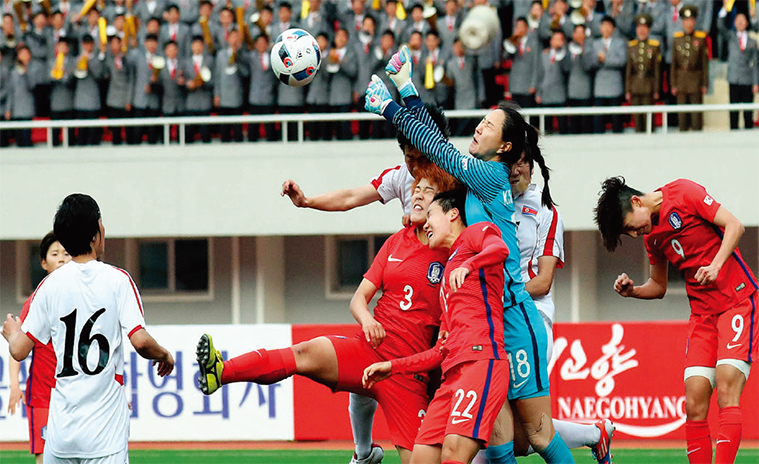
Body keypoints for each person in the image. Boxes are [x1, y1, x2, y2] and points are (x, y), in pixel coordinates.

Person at [365, 45, 575, 464]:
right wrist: (407, 89)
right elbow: (437, 144)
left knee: (536, 435)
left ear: (504, 147)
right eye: (482, 120)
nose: (479, 128)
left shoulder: (489, 173)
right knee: (498, 444)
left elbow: (438, 149)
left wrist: (389, 105)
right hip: (488, 324)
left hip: (514, 317)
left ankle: (592, 438)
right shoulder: (478, 173)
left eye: (489, 126)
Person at [198, 167, 458, 464]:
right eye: (417, 188)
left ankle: (364, 456)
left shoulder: (455, 252)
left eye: (428, 191)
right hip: (367, 350)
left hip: (407, 373)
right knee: (304, 352)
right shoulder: (398, 240)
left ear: (448, 208)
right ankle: (221, 371)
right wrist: (368, 319)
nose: (418, 195)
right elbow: (359, 299)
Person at [281, 103, 451, 464]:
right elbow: (350, 197)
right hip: (413, 293)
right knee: (366, 375)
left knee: (501, 425)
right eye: (408, 157)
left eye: (420, 157)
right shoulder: (401, 178)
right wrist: (308, 202)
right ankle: (363, 454)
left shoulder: (459, 180)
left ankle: (591, 433)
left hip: (454, 303)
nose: (414, 168)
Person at [594, 177, 758, 464]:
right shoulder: (653, 237)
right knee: (694, 402)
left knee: (726, 387)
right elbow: (658, 287)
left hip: (737, 301)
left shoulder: (683, 193)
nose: (636, 235)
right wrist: (633, 291)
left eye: (631, 227)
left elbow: (735, 226)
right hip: (702, 316)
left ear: (636, 202)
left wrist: (716, 264)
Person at [2, 193, 175, 463]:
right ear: (96, 234)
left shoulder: (48, 286)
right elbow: (140, 342)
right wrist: (164, 354)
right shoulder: (118, 280)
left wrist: (12, 333)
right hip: (105, 433)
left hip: (62, 431)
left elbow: (20, 350)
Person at [363, 190, 511, 464]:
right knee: (420, 457)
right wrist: (393, 367)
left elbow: (500, 249)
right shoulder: (446, 279)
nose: (426, 224)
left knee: (454, 453)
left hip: (481, 360)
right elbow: (440, 350)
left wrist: (469, 265)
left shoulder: (476, 233)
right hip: (451, 375)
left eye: (431, 214)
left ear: (453, 213)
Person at [509, 150, 614, 464]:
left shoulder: (545, 212)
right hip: (493, 322)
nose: (514, 170)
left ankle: (594, 434)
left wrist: (495, 296)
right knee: (507, 432)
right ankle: (595, 433)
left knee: (521, 431)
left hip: (532, 320)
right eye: (509, 163)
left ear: (532, 166)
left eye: (521, 163)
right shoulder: (490, 202)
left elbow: (542, 283)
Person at [7, 232, 71, 464]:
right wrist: (15, 385)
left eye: (67, 254)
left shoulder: (84, 298)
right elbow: (18, 345)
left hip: (77, 395)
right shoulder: (35, 301)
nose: (62, 259)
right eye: (55, 254)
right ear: (44, 263)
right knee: (44, 457)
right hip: (43, 395)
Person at [670, 5, 708, 132]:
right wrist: (673, 83)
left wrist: (704, 83)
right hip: (681, 81)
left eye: (691, 20)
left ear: (695, 22)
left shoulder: (700, 39)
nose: (689, 23)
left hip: (695, 81)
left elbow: (704, 64)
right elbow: (674, 64)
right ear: (682, 22)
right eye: (686, 20)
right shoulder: (677, 39)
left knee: (696, 118)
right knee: (682, 118)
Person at [721, 12, 759, 130]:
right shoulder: (731, 37)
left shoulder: (752, 41)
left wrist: (756, 83)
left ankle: (748, 139)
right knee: (734, 112)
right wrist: (724, 9)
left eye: (743, 20)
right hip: (734, 79)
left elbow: (756, 64)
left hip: (747, 80)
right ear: (734, 22)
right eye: (738, 20)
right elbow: (720, 26)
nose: (741, 22)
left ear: (747, 23)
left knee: (748, 113)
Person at [625, 13, 661, 133]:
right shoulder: (632, 47)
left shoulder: (654, 46)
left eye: (644, 28)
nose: (641, 31)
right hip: (635, 86)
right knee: (637, 119)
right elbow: (629, 70)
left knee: (648, 119)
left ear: (648, 30)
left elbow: (657, 71)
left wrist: (656, 90)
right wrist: (628, 90)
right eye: (639, 28)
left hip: (648, 86)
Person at [589, 16, 626, 134]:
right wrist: (598, 60)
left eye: (608, 26)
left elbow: (622, 61)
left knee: (616, 119)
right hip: (600, 87)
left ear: (613, 29)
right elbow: (590, 63)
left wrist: (605, 60)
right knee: (599, 119)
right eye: (603, 26)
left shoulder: (620, 43)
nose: (605, 29)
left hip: (615, 86)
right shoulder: (595, 44)